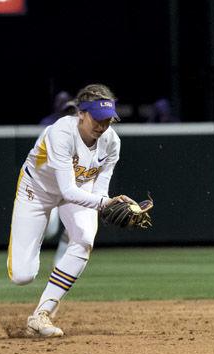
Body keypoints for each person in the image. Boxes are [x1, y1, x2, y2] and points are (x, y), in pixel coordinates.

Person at [7, 83, 132, 338]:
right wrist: (104, 204)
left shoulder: (111, 142)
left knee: (84, 240)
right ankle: (34, 264)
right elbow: (66, 190)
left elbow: (100, 190)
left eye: (108, 120)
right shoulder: (61, 132)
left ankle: (41, 315)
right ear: (81, 114)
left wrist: (108, 203)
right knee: (22, 275)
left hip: (80, 189)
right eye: (97, 119)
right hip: (37, 190)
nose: (102, 126)